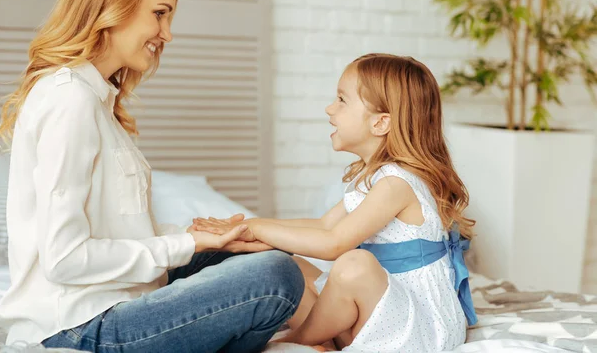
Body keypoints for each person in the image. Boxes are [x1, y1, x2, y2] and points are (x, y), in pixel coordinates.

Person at [0, 0, 304, 352]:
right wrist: (186, 245)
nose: (167, 34)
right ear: (113, 3)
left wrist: (201, 239)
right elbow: (65, 259)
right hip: (77, 325)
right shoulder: (68, 99)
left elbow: (117, 235)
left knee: (258, 249)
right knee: (273, 275)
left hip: (118, 300)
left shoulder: (96, 99)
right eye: (160, 14)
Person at [194, 53, 478, 352]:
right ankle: (322, 341)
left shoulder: (397, 183)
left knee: (354, 264)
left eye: (342, 100)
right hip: (377, 315)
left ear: (381, 123)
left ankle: (296, 342)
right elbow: (323, 225)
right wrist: (250, 230)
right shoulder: (374, 177)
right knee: (287, 267)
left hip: (415, 331)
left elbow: (333, 243)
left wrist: (259, 227)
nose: (330, 109)